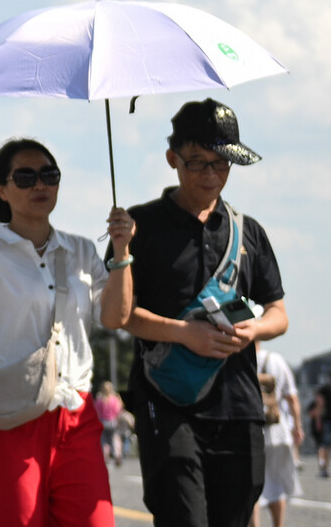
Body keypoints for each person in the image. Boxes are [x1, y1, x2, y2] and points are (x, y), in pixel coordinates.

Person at [0, 138, 135, 527]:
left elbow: (115, 317)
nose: (40, 185)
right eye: (26, 176)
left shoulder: (80, 252)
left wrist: (121, 252)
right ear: (2, 189)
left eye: (49, 175)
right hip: (9, 420)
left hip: (76, 417)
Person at [121, 100, 287, 527]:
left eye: (222, 164)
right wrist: (182, 333)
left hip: (239, 404)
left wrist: (254, 330)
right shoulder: (140, 226)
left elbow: (278, 312)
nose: (211, 176)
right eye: (198, 164)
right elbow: (122, 315)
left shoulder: (247, 230)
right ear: (172, 159)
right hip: (167, 401)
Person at [251, 344, 303, 527]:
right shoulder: (276, 360)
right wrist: (297, 426)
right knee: (277, 485)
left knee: (251, 485)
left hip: (251, 431)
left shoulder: (238, 359)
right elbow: (292, 398)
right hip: (278, 432)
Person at [95, 382, 126, 467]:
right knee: (115, 439)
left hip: (103, 422)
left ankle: (106, 457)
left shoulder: (100, 399)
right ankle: (117, 455)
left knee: (104, 441)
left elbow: (97, 412)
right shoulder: (114, 399)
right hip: (113, 422)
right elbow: (118, 410)